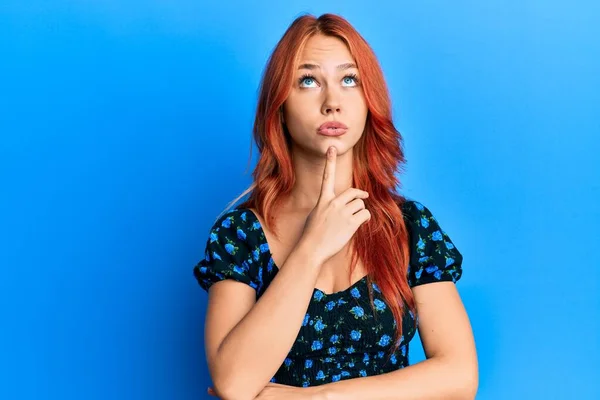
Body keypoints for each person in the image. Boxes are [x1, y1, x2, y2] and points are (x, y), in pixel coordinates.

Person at [194, 13, 478, 400]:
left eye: (349, 80)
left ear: (368, 100)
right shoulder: (240, 234)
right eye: (308, 81)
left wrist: (318, 398)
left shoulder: (409, 226)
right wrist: (311, 248)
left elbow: (459, 376)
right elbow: (234, 384)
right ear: (279, 104)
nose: (332, 103)